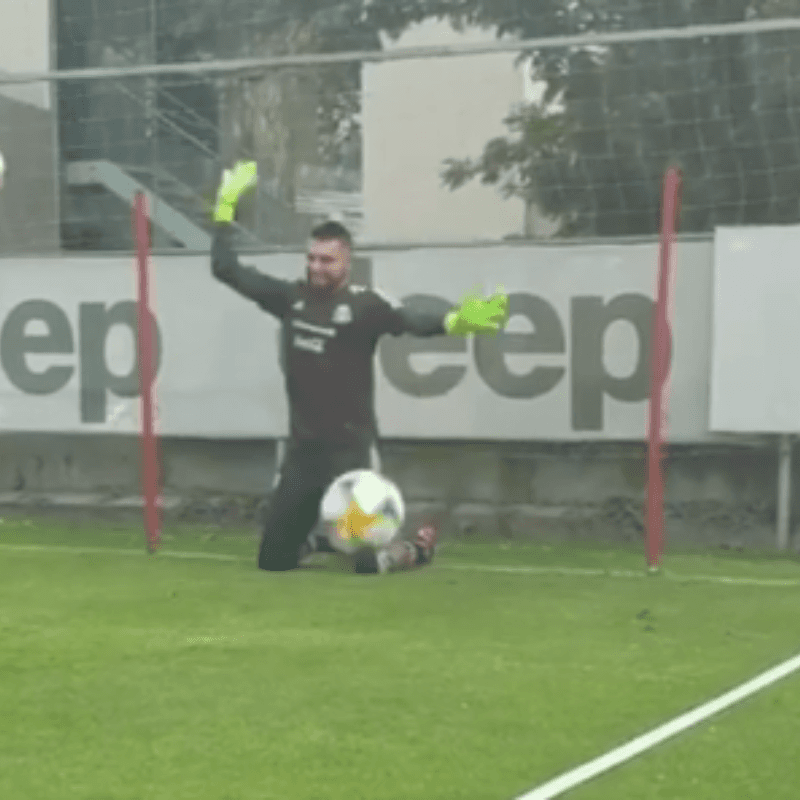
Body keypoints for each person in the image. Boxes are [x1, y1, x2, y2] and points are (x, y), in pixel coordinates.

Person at [210, 161, 509, 574]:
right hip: (303, 453)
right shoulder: (289, 300)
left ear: (346, 262)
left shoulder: (365, 306)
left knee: (369, 564)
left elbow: (410, 318)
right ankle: (320, 540)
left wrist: (454, 320)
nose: (316, 267)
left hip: (351, 453)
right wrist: (225, 207)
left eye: (327, 261)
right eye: (312, 258)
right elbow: (226, 269)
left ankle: (416, 549)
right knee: (273, 561)